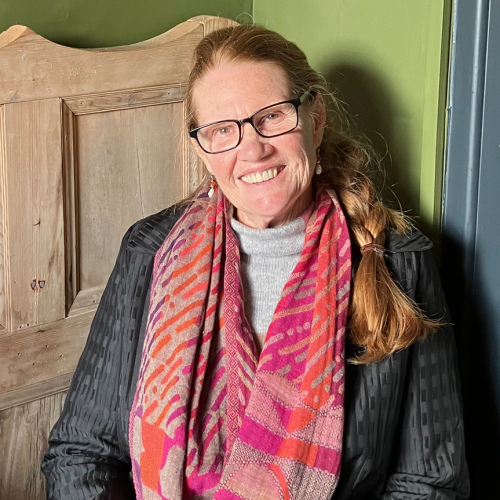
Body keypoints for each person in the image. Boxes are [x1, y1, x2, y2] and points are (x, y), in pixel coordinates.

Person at [42, 24, 469, 499]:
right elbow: (82, 452)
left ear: (316, 120)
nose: (252, 149)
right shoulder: (149, 250)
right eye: (222, 130)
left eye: (272, 116)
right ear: (202, 149)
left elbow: (430, 482)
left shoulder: (399, 264)